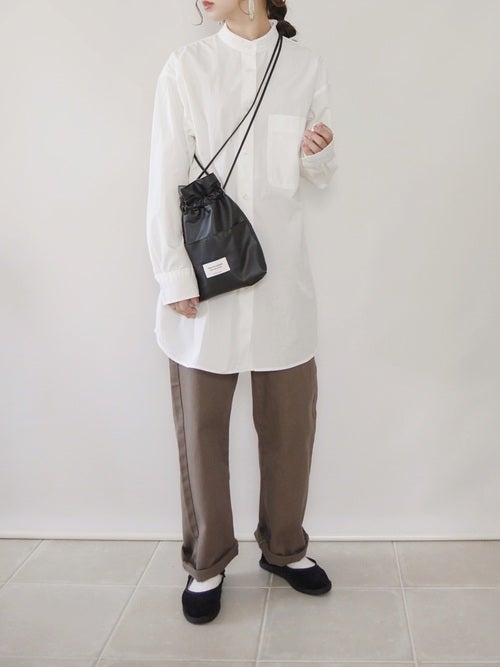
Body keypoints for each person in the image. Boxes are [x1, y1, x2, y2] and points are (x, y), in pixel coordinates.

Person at [146, 0, 338, 624]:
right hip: (206, 284)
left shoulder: (304, 65)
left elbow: (319, 175)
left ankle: (284, 548)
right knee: (202, 431)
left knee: (290, 428)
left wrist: (315, 152)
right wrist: (174, 274)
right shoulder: (187, 67)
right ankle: (207, 561)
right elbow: (164, 177)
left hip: (283, 285)